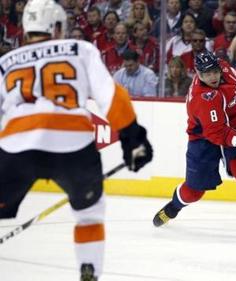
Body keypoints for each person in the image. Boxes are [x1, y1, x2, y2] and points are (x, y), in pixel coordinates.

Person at [0, 0, 153, 280]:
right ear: (56, 26)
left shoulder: (6, 63)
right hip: (72, 144)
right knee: (89, 215)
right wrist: (133, 136)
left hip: (17, 145)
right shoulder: (81, 49)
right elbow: (110, 95)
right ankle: (89, 270)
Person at [153, 51, 236, 238]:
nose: (213, 77)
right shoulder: (203, 97)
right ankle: (173, 207)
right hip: (204, 137)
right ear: (198, 74)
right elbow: (217, 132)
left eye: (215, 72)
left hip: (233, 124)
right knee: (194, 192)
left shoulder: (224, 68)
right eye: (207, 74)